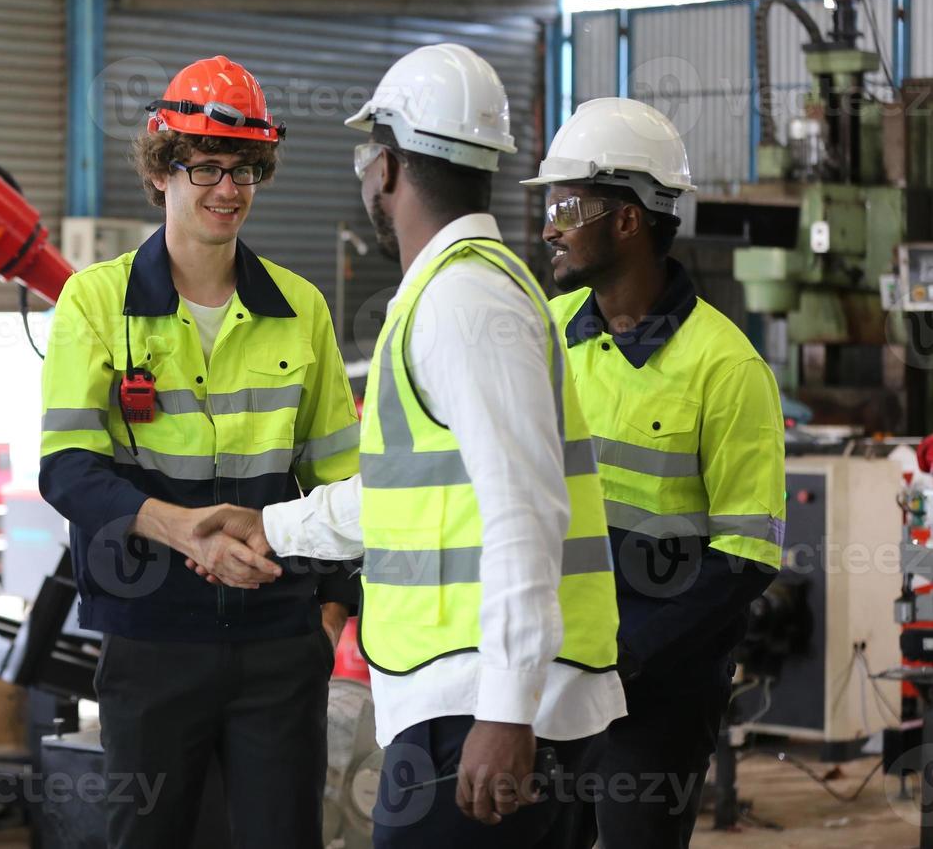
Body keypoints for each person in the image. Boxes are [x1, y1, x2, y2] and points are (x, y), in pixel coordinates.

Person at [193, 44, 625, 848]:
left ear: (385, 167)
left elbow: (524, 513)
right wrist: (272, 527)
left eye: (367, 156)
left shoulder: (462, 300)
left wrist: (505, 710)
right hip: (465, 704)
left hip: (480, 716)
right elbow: (415, 492)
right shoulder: (459, 289)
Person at [38, 55, 362, 848]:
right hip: (151, 640)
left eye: (245, 168)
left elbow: (340, 479)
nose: (228, 188)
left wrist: (330, 609)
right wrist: (181, 529)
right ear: (161, 171)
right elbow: (67, 468)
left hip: (280, 642)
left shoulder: (300, 309)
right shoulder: (96, 301)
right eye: (206, 166)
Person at [530, 97, 785, 847]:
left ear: (630, 219)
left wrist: (629, 651)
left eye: (568, 206)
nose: (551, 226)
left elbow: (747, 554)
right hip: (549, 671)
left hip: (659, 694)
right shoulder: (543, 334)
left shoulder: (726, 367)